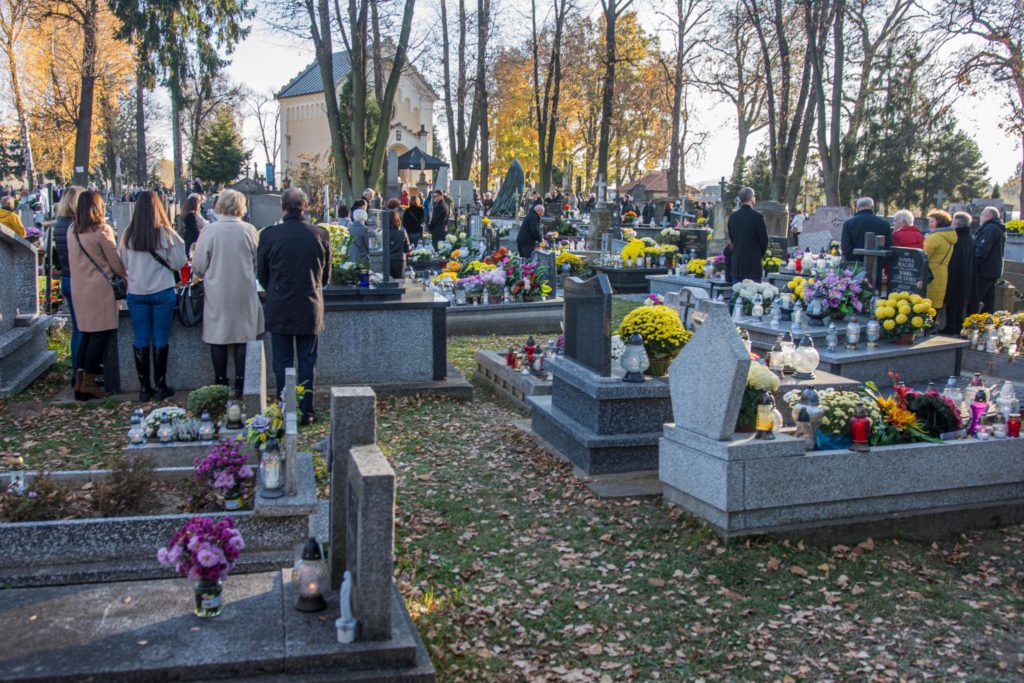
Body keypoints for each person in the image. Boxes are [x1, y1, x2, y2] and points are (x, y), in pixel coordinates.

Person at [257, 188, 331, 423]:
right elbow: (325, 277)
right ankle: (307, 411)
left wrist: (275, 288)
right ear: (305, 206)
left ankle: (285, 408)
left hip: (280, 304)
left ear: (283, 207)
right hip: (309, 303)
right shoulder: (320, 234)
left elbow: (262, 275)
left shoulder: (269, 236)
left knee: (282, 361)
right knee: (307, 361)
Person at [191, 189, 264, 397]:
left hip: (217, 289)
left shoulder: (210, 230)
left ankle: (220, 381)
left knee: (218, 335)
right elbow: (257, 261)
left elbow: (199, 266)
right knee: (243, 335)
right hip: (243, 288)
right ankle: (241, 382)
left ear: (220, 205)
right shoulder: (249, 230)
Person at [119, 190, 186, 401]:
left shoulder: (128, 234)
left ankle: (144, 388)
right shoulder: (166, 233)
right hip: (162, 290)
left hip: (136, 292)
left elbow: (124, 263)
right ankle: (160, 385)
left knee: (141, 337)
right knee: (160, 337)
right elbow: (179, 262)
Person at [67, 190, 126, 401]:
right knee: (100, 335)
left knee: (86, 334)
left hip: (79, 288)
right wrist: (125, 274)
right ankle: (90, 382)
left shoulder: (72, 230)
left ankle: (80, 381)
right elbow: (115, 263)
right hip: (99, 289)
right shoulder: (101, 230)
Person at [50, 185, 85, 387]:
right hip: (79, 279)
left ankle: (76, 372)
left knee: (77, 329)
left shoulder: (59, 224)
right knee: (84, 328)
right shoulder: (76, 225)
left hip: (66, 277)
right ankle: (82, 373)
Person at [943, 211, 977, 335]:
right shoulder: (970, 239)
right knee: (960, 302)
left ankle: (950, 326)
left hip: (953, 273)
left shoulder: (954, 238)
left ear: (956, 224)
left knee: (951, 301)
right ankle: (958, 325)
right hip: (967, 274)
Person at [923, 209, 957, 329]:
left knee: (927, 302)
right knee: (936, 302)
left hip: (930, 273)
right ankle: (930, 327)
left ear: (939, 223)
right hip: (942, 272)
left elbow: (924, 256)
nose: (929, 224)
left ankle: (925, 328)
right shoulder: (950, 238)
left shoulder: (935, 237)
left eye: (932, 222)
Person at [727, 187, 769, 283]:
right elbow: (764, 241)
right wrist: (759, 255)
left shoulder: (733, 217)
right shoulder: (757, 217)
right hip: (752, 264)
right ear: (751, 198)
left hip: (737, 264)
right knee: (753, 291)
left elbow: (732, 238)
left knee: (737, 291)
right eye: (754, 196)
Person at [974, 206, 1006, 314]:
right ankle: (987, 319)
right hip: (992, 269)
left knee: (977, 297)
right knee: (988, 300)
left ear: (988, 216)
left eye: (982, 214)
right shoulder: (995, 227)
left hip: (985, 269)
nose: (980, 217)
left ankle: (973, 319)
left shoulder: (990, 228)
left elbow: (982, 248)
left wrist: (974, 262)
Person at [841, 197, 892, 261]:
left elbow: (846, 247)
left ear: (857, 208)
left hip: (855, 265)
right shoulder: (884, 224)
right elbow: (888, 247)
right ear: (872, 207)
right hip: (877, 263)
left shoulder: (848, 224)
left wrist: (857, 262)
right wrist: (880, 263)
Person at [388, 204, 411, 278]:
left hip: (387, 260)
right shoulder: (402, 232)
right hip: (400, 260)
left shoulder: (384, 233)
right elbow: (407, 248)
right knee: (400, 281)